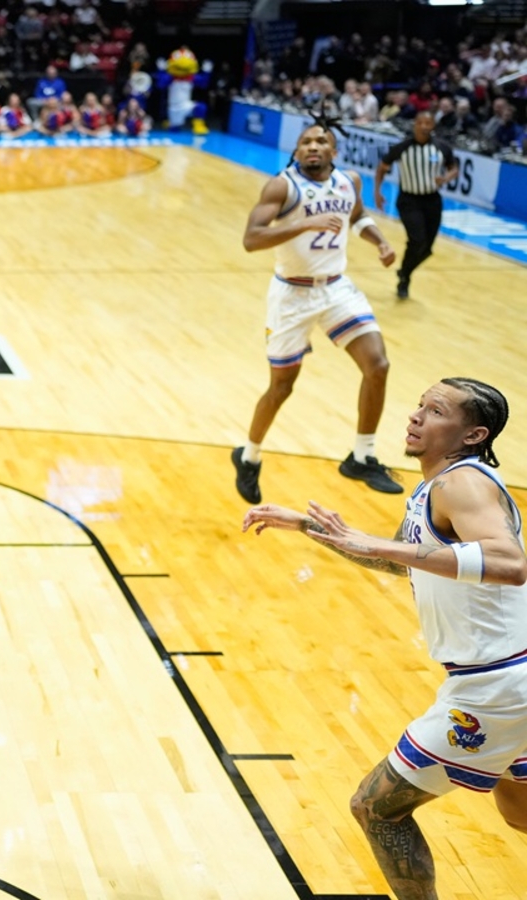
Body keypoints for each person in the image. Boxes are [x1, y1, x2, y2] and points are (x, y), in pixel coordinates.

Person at [241, 378, 527, 900]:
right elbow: (392, 558)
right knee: (520, 814)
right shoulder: (435, 487)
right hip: (514, 679)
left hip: (496, 688)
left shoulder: (460, 485)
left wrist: (376, 543)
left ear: (472, 434)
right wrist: (309, 526)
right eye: (419, 405)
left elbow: (510, 564)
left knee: (376, 808)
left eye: (435, 410)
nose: (415, 416)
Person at [231, 120, 400, 504]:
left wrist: (380, 241)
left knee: (378, 365)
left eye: (321, 141)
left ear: (334, 151)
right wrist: (304, 223)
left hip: (337, 287)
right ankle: (249, 456)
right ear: (296, 150)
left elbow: (356, 216)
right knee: (282, 387)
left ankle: (362, 455)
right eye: (305, 141)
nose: (313, 146)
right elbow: (251, 239)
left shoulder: (348, 181)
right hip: (292, 295)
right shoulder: (282, 186)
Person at [374, 110, 457, 301]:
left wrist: (445, 178)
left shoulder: (441, 148)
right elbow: (382, 167)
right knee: (417, 240)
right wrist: (377, 192)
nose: (424, 127)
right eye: (421, 123)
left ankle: (404, 270)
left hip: (432, 201)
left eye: (428, 123)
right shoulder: (402, 147)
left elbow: (454, 168)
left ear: (432, 126)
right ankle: (405, 279)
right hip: (409, 200)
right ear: (415, 124)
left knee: (427, 249)